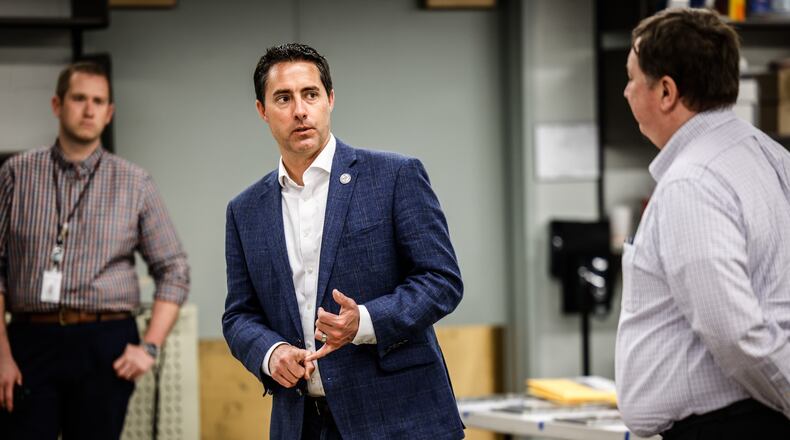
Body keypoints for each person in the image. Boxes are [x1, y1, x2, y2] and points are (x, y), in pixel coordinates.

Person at [222, 43, 464, 439]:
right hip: (302, 423)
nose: (300, 110)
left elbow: (442, 281)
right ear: (262, 111)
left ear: (330, 100)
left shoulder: (394, 176)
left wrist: (364, 322)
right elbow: (239, 315)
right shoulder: (244, 210)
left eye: (310, 94)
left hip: (399, 419)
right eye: (283, 98)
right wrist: (271, 353)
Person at [615, 8, 790, 439]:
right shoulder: (772, 156)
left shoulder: (691, 182)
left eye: (633, 78)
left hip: (730, 426)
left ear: (667, 92)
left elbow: (735, 333)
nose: (625, 91)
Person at [0, 61, 190, 439]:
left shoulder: (134, 183)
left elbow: (174, 269)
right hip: (28, 343)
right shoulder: (16, 174)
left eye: (98, 101)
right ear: (57, 104)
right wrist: (1, 355)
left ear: (109, 113)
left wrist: (149, 347)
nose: (89, 110)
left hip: (105, 344)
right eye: (79, 98)